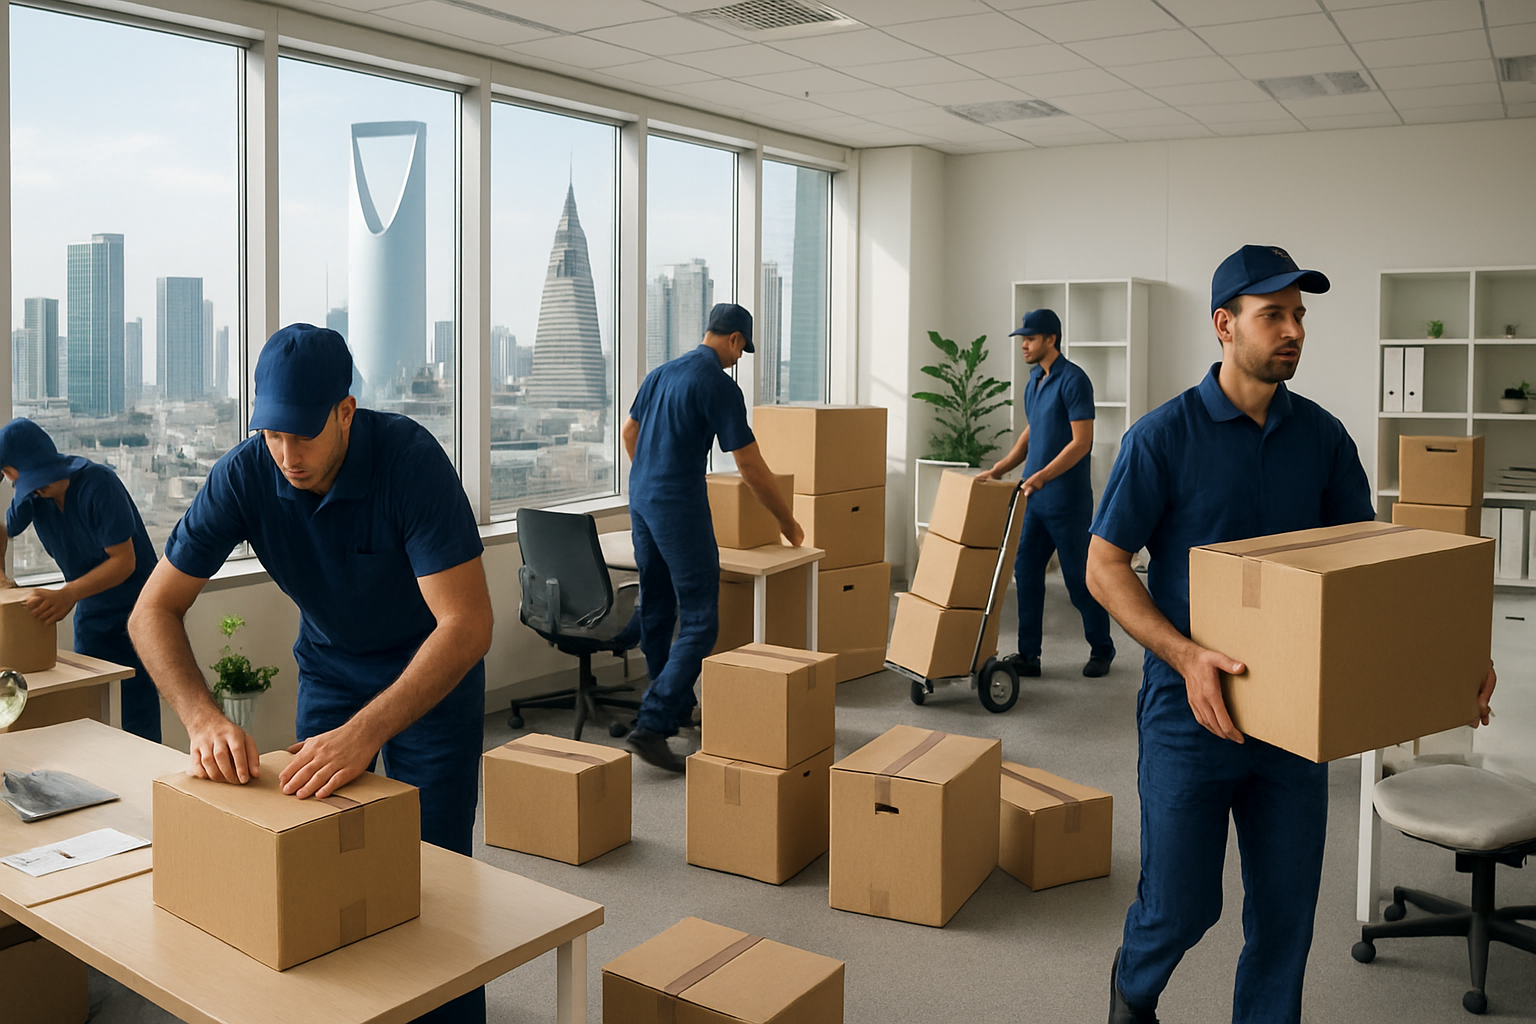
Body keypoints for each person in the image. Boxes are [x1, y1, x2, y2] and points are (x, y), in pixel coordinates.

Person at [1084, 244, 1498, 1024]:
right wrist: (1184, 654)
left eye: (1300, 315)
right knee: (1181, 908)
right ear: (1224, 324)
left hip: (1294, 725)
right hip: (1190, 712)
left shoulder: (1323, 438)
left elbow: (1375, 573)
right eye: (1273, 314)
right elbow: (1105, 567)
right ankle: (1131, 991)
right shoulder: (1162, 437)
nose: (1293, 330)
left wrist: (1456, 660)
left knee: (1284, 922)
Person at [128, 324, 493, 1024]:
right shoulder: (245, 472)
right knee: (320, 862)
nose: (287, 456)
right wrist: (203, 720)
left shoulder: (410, 461)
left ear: (345, 412)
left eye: (303, 435)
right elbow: (152, 611)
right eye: (272, 435)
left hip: (429, 675)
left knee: (435, 876)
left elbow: (468, 626)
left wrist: (364, 734)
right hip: (329, 667)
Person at [621, 302, 803, 772]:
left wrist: (651, 473)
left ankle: (672, 707)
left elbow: (629, 433)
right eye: (743, 350)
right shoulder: (719, 386)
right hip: (677, 506)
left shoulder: (661, 373)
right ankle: (654, 722)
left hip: (640, 499)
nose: (739, 359)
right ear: (735, 340)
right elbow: (749, 466)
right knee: (702, 619)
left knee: (659, 609)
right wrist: (786, 520)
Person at [0, 419, 162, 741]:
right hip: (91, 611)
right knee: (91, 711)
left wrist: (66, 595)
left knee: (136, 715)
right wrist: (2, 578)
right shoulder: (32, 498)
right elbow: (2, 531)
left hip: (139, 609)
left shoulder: (99, 484)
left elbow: (124, 562)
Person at [977, 308, 1115, 678]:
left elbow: (1081, 442)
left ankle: (1102, 647)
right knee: (1027, 572)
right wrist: (1001, 468)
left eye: (1031, 338)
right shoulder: (1033, 381)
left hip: (1066, 502)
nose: (1024, 345)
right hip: (1034, 500)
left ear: (1051, 339)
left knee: (1077, 580)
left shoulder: (1074, 380)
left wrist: (1040, 475)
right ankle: (1029, 655)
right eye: (1022, 338)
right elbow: (1031, 432)